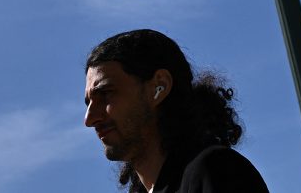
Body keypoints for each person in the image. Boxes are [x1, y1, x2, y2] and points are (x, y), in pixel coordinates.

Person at [84, 29, 271, 193]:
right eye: (88, 103)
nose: (90, 118)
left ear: (159, 86)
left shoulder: (218, 171)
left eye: (106, 93)